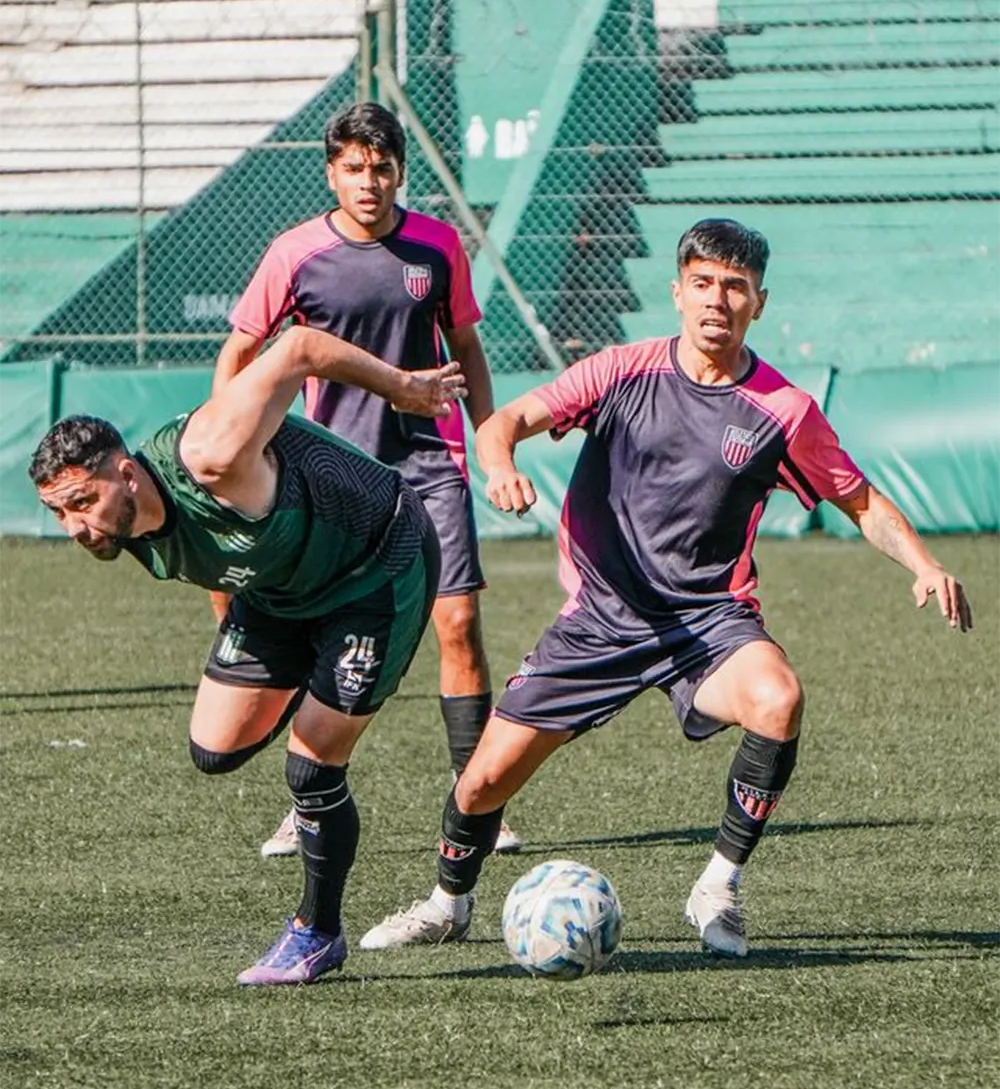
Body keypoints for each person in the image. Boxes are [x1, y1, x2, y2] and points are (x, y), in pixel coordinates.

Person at [358, 217, 973, 957]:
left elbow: (862, 502)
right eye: (705, 284)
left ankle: (719, 882)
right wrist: (499, 466)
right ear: (678, 291)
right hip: (599, 621)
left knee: (778, 700)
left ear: (759, 303)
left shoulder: (783, 411)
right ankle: (447, 904)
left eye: (735, 288)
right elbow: (509, 420)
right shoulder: (622, 370)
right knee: (482, 784)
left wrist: (924, 565)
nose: (718, 300)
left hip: (706, 624)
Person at [29, 325, 466, 985]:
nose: (77, 529)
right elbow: (215, 562)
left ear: (125, 472)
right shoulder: (123, 531)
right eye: (61, 515)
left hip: (376, 565)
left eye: (83, 504)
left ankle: (317, 934)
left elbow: (297, 348)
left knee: (312, 767)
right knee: (215, 749)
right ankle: (322, 688)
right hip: (278, 592)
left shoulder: (210, 451)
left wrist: (405, 388)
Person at [212, 100, 522, 859]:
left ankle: (478, 800)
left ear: (399, 172)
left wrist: (489, 447)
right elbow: (241, 354)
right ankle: (304, 801)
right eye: (354, 168)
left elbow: (469, 349)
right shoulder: (293, 254)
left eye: (383, 168)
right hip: (328, 475)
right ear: (332, 173)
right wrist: (229, 444)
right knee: (313, 637)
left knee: (458, 627)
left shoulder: (438, 246)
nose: (370, 182)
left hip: (429, 462)